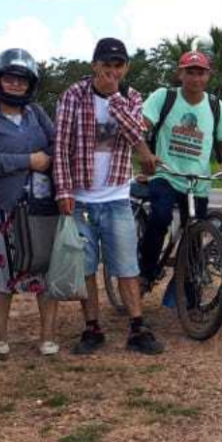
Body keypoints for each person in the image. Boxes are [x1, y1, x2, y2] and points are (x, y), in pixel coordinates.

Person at [53, 38, 162, 355]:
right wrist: (63, 189)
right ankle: (92, 327)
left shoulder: (131, 97)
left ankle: (137, 327)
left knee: (127, 266)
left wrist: (114, 98)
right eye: (106, 65)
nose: (112, 71)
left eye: (118, 65)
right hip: (81, 197)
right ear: (94, 65)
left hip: (116, 196)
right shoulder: (73, 95)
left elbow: (135, 135)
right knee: (85, 266)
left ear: (125, 68)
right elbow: (60, 145)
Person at [0, 49, 59, 356]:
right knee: (2, 274)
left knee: (45, 269)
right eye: (9, 78)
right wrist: (29, 160)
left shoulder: (36, 113)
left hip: (40, 205)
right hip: (4, 206)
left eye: (21, 80)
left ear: (30, 84)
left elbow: (55, 143)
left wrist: (48, 161)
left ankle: (47, 337)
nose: (15, 84)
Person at [139, 50, 222, 288]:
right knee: (160, 217)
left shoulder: (215, 106)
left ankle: (187, 289)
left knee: (194, 233)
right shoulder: (164, 97)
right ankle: (145, 272)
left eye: (201, 73)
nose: (195, 78)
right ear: (180, 74)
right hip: (166, 174)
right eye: (190, 72)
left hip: (198, 180)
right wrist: (145, 154)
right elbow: (140, 126)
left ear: (208, 76)